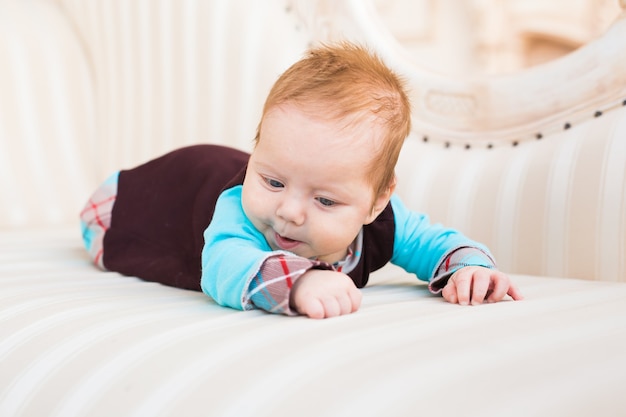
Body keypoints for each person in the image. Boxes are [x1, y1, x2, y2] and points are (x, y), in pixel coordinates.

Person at [80, 42, 522, 319]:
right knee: (113, 234)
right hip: (139, 198)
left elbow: (432, 241)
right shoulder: (238, 209)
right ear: (256, 156)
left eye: (326, 201)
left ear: (377, 201)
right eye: (272, 182)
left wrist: (469, 267)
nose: (288, 212)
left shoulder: (382, 219)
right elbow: (222, 266)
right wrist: (301, 281)